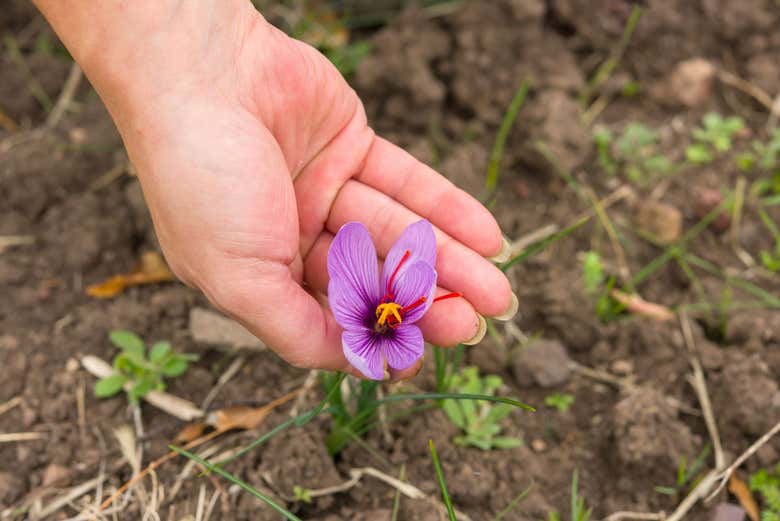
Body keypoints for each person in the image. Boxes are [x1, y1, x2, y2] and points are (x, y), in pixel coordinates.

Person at [33, 0, 517, 380]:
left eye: (389, 314)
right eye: (390, 313)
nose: (389, 314)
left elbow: (405, 276)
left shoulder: (394, 319)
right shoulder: (371, 320)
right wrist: (180, 75)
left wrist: (187, 45)